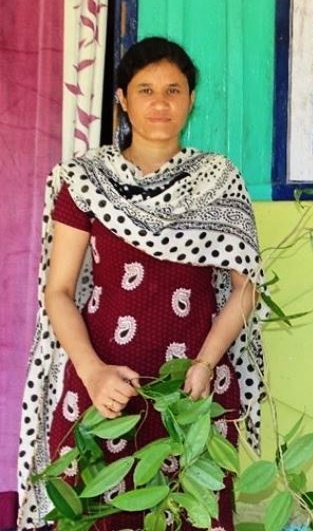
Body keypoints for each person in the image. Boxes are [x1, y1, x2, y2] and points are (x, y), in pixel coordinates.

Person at [17, 37, 266, 530]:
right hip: (103, 387)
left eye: (174, 90)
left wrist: (206, 363)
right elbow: (59, 291)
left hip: (191, 393)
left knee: (191, 513)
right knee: (97, 514)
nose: (160, 102)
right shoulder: (85, 180)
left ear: (191, 99)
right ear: (122, 99)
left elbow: (246, 288)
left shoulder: (218, 180)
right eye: (146, 89)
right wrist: (91, 373)